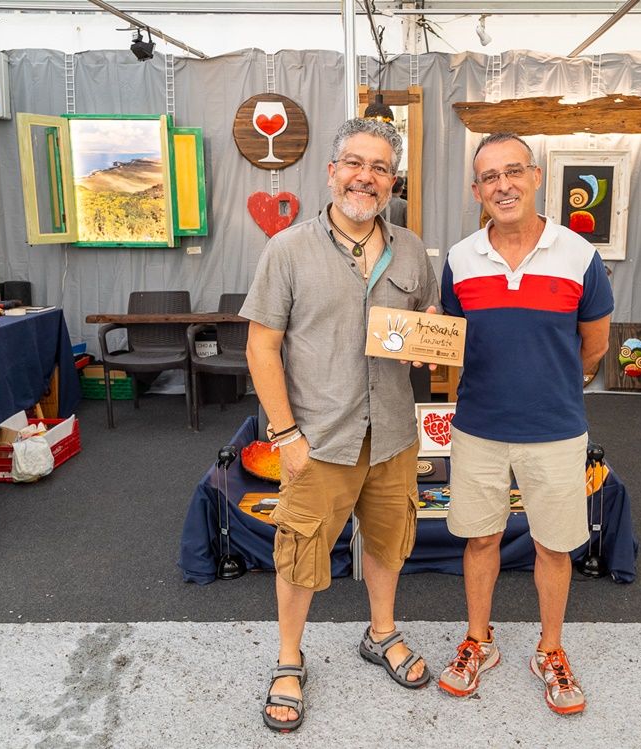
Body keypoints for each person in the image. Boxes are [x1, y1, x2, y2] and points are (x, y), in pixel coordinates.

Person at [241, 118, 440, 733]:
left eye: (380, 168)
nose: (366, 177)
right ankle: (288, 658)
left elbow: (425, 324)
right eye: (355, 163)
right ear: (332, 172)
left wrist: (430, 339)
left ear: (393, 181)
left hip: (393, 435)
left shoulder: (410, 250)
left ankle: (381, 634)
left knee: (388, 542)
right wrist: (285, 435)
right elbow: (260, 347)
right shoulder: (288, 249)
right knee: (300, 549)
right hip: (319, 438)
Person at [436, 133, 613, 715]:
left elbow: (595, 346)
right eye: (490, 177)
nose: (503, 185)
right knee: (481, 538)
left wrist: (551, 386)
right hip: (478, 426)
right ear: (476, 190)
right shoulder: (459, 259)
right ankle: (478, 641)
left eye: (513, 172)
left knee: (553, 546)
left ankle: (551, 649)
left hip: (556, 430)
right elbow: (453, 342)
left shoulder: (580, 256)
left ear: (537, 178)